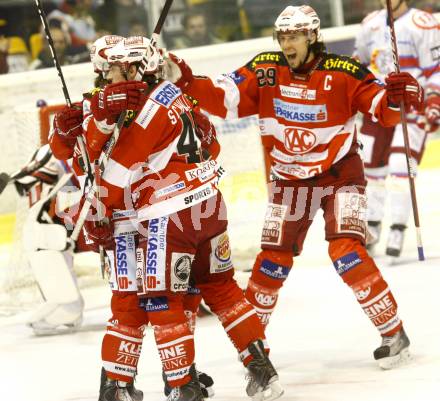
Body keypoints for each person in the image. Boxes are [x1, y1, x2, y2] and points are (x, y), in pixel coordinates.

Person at [163, 4, 425, 369]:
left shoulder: (344, 71)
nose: (288, 43)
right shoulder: (265, 69)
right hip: (289, 181)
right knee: (271, 263)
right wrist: (184, 80)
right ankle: (252, 346)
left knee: (347, 253)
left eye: (295, 36)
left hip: (339, 177)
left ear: (313, 36)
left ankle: (393, 331)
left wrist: (402, 95)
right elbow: (223, 97)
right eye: (283, 36)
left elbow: (385, 110)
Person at [81, 36, 283, 401]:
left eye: (110, 68)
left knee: (160, 299)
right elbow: (212, 145)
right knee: (222, 289)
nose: (104, 75)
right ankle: (262, 370)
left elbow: (114, 174)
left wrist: (97, 211)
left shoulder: (145, 111)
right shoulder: (175, 94)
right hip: (209, 206)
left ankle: (181, 387)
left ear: (131, 68)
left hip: (167, 216)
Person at [354, 0, 440, 258]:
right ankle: (372, 224)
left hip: (412, 106)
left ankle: (398, 228)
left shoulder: (423, 24)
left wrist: (434, 100)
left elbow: (436, 69)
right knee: (371, 168)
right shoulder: (369, 24)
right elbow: (359, 66)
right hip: (378, 106)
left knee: (402, 166)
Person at [5, 143, 91, 335]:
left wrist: (13, 178)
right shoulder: (71, 139)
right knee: (50, 236)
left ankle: (69, 306)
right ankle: (68, 304)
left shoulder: (57, 146)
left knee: (41, 238)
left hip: (106, 211)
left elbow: (41, 172)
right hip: (106, 208)